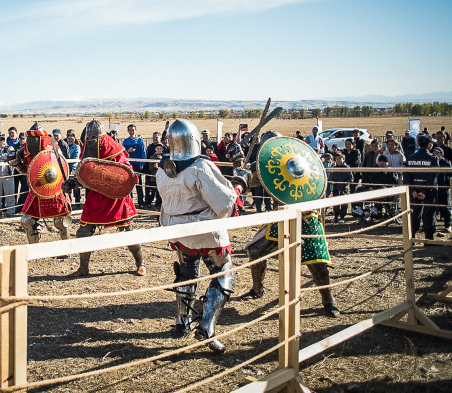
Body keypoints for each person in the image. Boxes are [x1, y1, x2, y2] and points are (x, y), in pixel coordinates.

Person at [155, 119, 245, 351]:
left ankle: (182, 321)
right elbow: (224, 202)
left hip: (177, 231)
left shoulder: (163, 169)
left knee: (187, 274)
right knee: (224, 274)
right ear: (194, 140)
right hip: (203, 230)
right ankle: (206, 327)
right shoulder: (201, 167)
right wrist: (240, 184)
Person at [243, 135, 338, 318]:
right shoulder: (270, 166)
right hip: (281, 217)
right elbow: (254, 181)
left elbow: (316, 187)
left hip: (307, 218)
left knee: (317, 263)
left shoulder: (301, 161)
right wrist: (244, 175)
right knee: (255, 250)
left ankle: (328, 300)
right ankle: (257, 289)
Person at [62, 120, 142, 277]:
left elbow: (125, 174)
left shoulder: (113, 149)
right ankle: (83, 268)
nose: (91, 139)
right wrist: (73, 183)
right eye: (89, 136)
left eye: (94, 136)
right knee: (83, 232)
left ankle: (141, 263)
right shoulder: (87, 147)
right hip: (96, 196)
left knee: (128, 231)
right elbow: (85, 174)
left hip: (116, 198)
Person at [10, 123, 72, 244]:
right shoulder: (27, 150)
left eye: (35, 138)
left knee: (61, 221)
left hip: (55, 190)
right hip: (37, 190)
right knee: (27, 221)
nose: (32, 141)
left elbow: (60, 168)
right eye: (30, 138)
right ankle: (35, 249)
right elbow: (29, 171)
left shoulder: (53, 148)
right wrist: (17, 164)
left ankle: (67, 246)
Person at [404, 135, 439, 240]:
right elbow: (433, 177)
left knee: (414, 214)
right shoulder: (433, 158)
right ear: (429, 145)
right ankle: (428, 238)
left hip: (414, 189)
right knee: (429, 213)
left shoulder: (411, 158)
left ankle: (412, 237)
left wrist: (413, 190)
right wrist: (424, 191)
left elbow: (407, 176)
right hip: (429, 190)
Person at [122, 124, 146, 208]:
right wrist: (127, 151)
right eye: (130, 130)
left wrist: (142, 164)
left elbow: (143, 152)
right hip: (128, 165)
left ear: (136, 131)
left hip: (137, 165)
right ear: (128, 131)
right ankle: (129, 203)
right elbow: (123, 154)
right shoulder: (125, 141)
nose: (131, 132)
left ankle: (140, 203)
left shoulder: (140, 140)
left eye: (133, 130)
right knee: (129, 185)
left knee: (139, 184)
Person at [328, 152, 353, 223]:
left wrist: (346, 183)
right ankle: (336, 216)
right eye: (337, 159)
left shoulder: (347, 168)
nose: (338, 160)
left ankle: (342, 216)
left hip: (344, 188)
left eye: (340, 158)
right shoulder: (334, 168)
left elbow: (351, 178)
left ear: (343, 159)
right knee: (336, 202)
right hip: (336, 187)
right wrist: (331, 181)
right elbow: (330, 177)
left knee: (344, 203)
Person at [432, 147, 452, 234]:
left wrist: (447, 185)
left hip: (443, 188)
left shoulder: (445, 163)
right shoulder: (432, 162)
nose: (435, 154)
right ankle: (432, 225)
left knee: (445, 206)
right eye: (434, 153)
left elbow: (451, 175)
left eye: (437, 153)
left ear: (442, 154)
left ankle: (448, 224)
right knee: (433, 206)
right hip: (434, 187)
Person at [143, 142, 164, 209]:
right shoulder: (152, 157)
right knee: (152, 191)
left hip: (162, 178)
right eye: (158, 148)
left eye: (160, 148)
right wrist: (155, 167)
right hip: (153, 177)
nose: (159, 150)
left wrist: (161, 161)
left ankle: (158, 204)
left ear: (162, 149)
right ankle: (148, 203)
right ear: (155, 149)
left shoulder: (165, 157)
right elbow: (150, 168)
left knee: (160, 192)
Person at [66, 135, 82, 206]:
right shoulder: (66, 146)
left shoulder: (76, 147)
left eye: (71, 139)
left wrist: (71, 168)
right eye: (69, 138)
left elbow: (75, 158)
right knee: (68, 186)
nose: (70, 140)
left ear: (74, 139)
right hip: (66, 169)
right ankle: (69, 202)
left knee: (76, 186)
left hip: (74, 169)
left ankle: (78, 202)